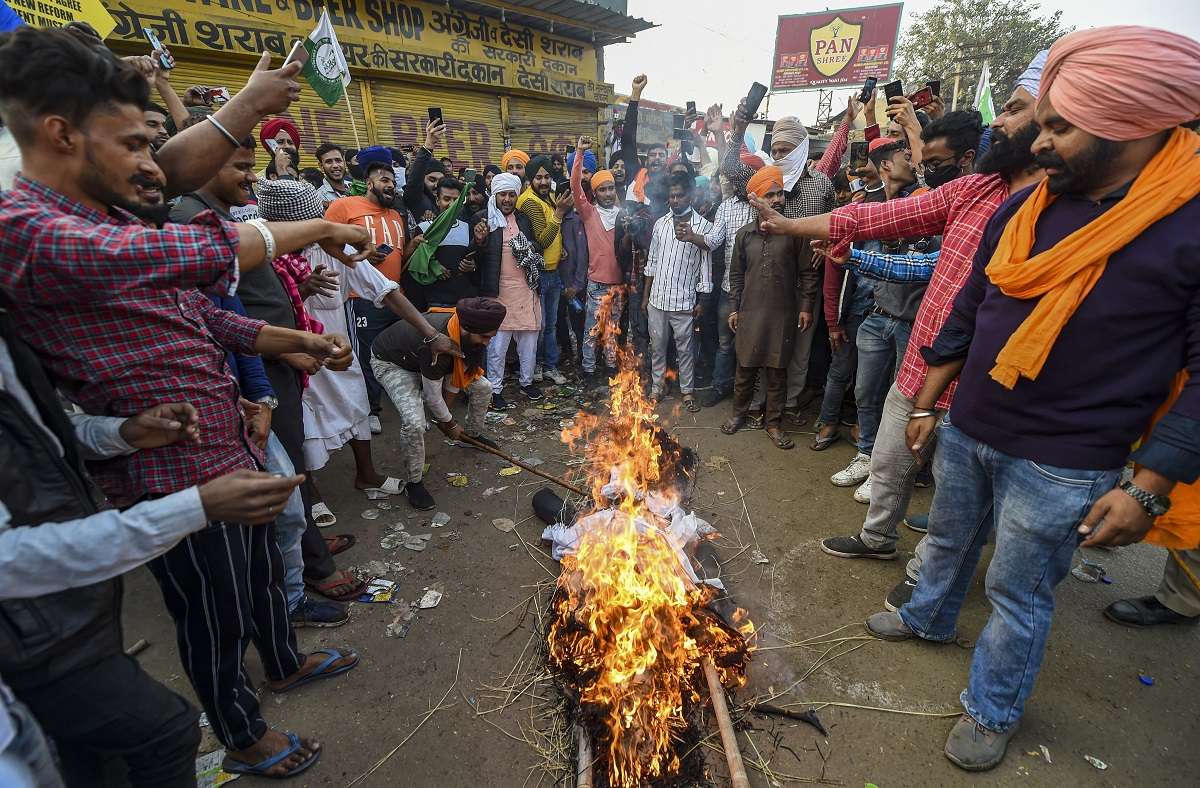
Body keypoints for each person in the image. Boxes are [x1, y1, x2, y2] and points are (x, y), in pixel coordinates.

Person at [0, 27, 378, 777]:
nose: (152, 166)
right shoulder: (31, 230)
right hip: (166, 475)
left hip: (222, 441)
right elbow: (191, 254)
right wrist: (321, 225)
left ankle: (282, 664)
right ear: (61, 134)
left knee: (263, 577)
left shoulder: (101, 213)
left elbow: (196, 310)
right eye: (135, 145)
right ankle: (241, 732)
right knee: (212, 615)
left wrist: (280, 340)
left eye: (153, 145)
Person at [863, 26, 1200, 771]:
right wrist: (927, 404)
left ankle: (992, 708)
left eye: (1058, 128)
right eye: (1040, 123)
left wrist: (1147, 490)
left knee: (1019, 591)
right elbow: (970, 309)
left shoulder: (1188, 225)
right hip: (972, 424)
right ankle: (925, 618)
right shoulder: (1029, 206)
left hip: (1066, 462)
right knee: (947, 542)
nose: (1037, 144)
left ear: (1135, 125)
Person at [753, 50, 1048, 589]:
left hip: (979, 385)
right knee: (889, 463)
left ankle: (928, 583)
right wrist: (790, 227)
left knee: (959, 502)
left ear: (1054, 119)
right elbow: (876, 217)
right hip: (921, 363)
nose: (998, 121)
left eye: (1013, 108)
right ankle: (877, 539)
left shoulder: (1060, 210)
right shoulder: (978, 188)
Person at [0, 341, 305, 788]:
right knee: (199, 653)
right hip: (36, 624)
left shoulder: (13, 339)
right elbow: (11, 559)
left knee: (252, 589)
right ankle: (242, 734)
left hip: (73, 600)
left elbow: (50, 432)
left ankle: (276, 675)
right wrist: (193, 507)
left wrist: (123, 432)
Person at [724, 94, 856, 417]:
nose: (779, 155)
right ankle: (756, 406)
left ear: (801, 149)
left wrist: (824, 252)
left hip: (805, 283)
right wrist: (737, 131)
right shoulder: (766, 179)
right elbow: (730, 167)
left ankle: (788, 403)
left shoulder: (821, 185)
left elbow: (834, 225)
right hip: (768, 282)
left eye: (786, 150)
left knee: (798, 350)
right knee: (759, 346)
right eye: (776, 149)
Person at [327, 150, 454, 434]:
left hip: (395, 296)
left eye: (392, 182)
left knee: (401, 352)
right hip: (360, 298)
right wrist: (355, 254)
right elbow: (327, 247)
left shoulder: (397, 214)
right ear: (369, 182)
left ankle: (410, 408)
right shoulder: (344, 207)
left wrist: (413, 247)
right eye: (383, 179)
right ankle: (371, 410)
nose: (389, 185)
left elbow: (401, 256)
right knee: (365, 355)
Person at [830, 137, 928, 504]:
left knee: (901, 402)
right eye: (906, 156)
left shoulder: (924, 203)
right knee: (865, 394)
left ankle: (888, 473)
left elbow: (918, 267)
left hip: (912, 322)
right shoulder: (871, 208)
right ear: (886, 165)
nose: (913, 161)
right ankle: (867, 456)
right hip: (877, 316)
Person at [371, 297, 506, 509]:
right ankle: (414, 482)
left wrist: (446, 421)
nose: (487, 342)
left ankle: (471, 435)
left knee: (484, 388)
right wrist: (448, 423)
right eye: (484, 337)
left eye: (491, 337)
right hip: (393, 363)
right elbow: (433, 396)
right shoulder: (437, 344)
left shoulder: (466, 334)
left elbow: (456, 376)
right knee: (414, 422)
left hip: (425, 363)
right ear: (468, 329)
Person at [720, 166, 818, 449]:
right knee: (745, 369)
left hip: (783, 313)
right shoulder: (744, 235)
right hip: (749, 312)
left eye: (779, 194)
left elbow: (808, 273)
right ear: (757, 199)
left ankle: (773, 424)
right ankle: (739, 414)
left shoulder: (794, 232)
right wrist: (734, 308)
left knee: (777, 372)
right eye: (770, 195)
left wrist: (806, 306)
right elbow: (735, 275)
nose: (777, 200)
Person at [643, 172, 720, 409]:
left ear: (691, 195)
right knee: (657, 347)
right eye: (672, 196)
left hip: (684, 301)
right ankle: (657, 387)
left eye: (679, 195)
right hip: (657, 298)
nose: (674, 200)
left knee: (685, 349)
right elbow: (652, 262)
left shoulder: (704, 228)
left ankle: (687, 391)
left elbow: (706, 269)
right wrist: (645, 296)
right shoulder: (661, 224)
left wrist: (702, 301)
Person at [473, 172, 543, 408]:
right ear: (494, 195)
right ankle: (495, 389)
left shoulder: (523, 219)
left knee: (529, 341)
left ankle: (526, 382)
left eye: (511, 194)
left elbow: (535, 247)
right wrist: (480, 241)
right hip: (497, 291)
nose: (507, 199)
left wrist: (530, 247)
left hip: (525, 289)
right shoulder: (483, 219)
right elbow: (476, 258)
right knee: (497, 345)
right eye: (502, 194)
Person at [566, 136, 625, 388]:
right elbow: (575, 186)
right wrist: (579, 154)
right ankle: (588, 371)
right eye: (603, 189)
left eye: (611, 188)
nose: (608, 193)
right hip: (597, 285)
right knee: (592, 331)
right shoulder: (589, 213)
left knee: (612, 332)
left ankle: (610, 368)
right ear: (596, 192)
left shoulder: (624, 216)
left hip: (618, 287)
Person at [518, 155, 570, 385]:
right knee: (538, 325)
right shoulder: (529, 201)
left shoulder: (549, 197)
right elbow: (543, 238)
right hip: (538, 275)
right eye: (538, 177)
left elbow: (554, 234)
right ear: (530, 179)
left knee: (550, 324)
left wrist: (562, 249)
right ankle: (538, 365)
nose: (543, 181)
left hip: (554, 271)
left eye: (547, 176)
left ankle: (549, 366)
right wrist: (559, 213)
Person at [404, 175, 479, 310]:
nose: (451, 204)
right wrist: (433, 266)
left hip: (463, 303)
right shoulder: (425, 228)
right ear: (437, 200)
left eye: (456, 200)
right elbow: (415, 267)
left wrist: (472, 266)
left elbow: (476, 261)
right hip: (434, 303)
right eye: (446, 199)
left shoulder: (468, 228)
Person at [405, 120, 449, 223]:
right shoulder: (416, 197)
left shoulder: (447, 202)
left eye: (441, 180)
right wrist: (429, 144)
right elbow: (416, 177)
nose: (436, 185)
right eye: (432, 179)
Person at [314, 142, 350, 206]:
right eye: (329, 162)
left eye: (338, 160)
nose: (335, 165)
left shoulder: (353, 186)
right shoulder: (319, 197)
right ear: (321, 166)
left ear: (344, 162)